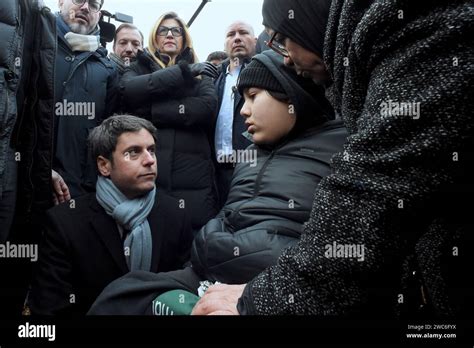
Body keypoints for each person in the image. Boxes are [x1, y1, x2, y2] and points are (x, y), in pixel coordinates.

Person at [192, 0, 474, 317]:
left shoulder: (412, 26)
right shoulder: (252, 155)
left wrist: (256, 301)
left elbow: (367, 208)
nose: (285, 57)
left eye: (283, 40)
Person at [88, 50, 347, 315]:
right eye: (242, 99)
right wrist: (211, 238)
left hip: (271, 283)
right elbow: (230, 214)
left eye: (254, 96)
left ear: (290, 93)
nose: (243, 110)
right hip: (210, 268)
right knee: (121, 294)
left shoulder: (342, 149)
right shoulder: (250, 155)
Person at [28, 115, 193, 315]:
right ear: (104, 165)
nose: (150, 160)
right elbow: (50, 308)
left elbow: (186, 292)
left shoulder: (176, 213)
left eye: (151, 150)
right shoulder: (65, 222)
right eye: (134, 152)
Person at [120, 12, 219, 233]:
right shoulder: (139, 67)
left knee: (195, 249)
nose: (170, 34)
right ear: (155, 37)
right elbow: (129, 92)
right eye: (163, 30)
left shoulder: (202, 71)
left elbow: (206, 108)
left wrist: (151, 110)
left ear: (185, 38)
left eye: (176, 30)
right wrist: (183, 73)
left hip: (195, 178)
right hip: (148, 173)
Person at [51, 0, 119, 201]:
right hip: (25, 181)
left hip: (78, 192)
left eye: (93, 4)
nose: (85, 7)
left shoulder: (108, 69)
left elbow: (108, 134)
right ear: (61, 2)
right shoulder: (33, 43)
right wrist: (39, 167)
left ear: (98, 14)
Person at [213, 21, 257, 208]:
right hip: (216, 170)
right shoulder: (214, 79)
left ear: (255, 41)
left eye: (243, 33)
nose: (237, 38)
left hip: (251, 166)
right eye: (231, 34)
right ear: (225, 44)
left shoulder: (265, 72)